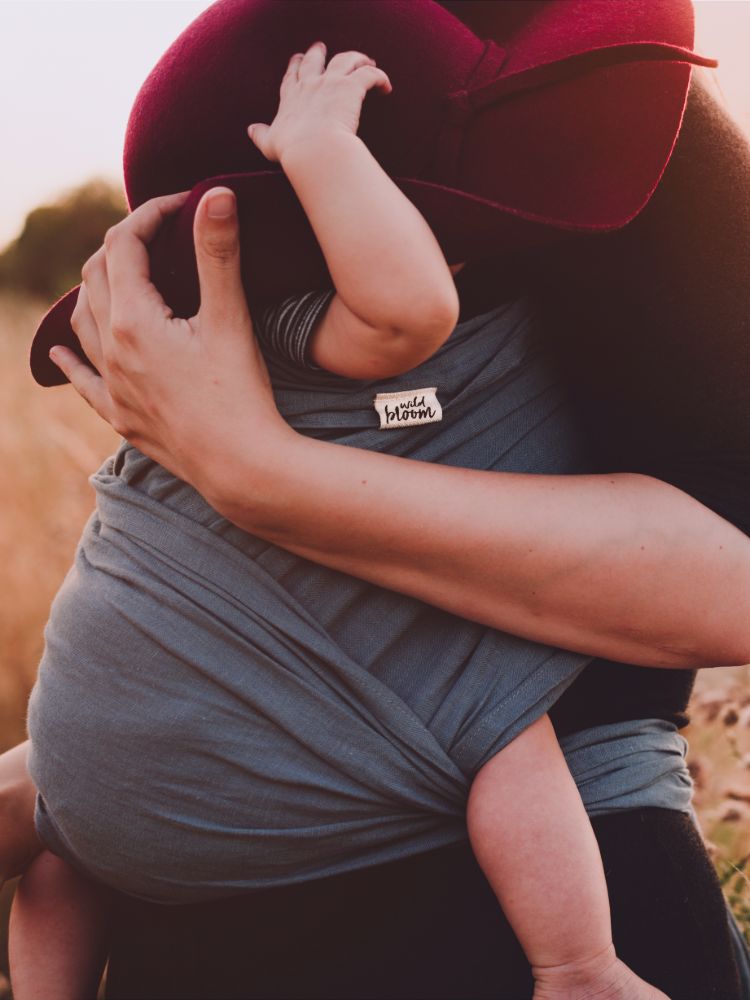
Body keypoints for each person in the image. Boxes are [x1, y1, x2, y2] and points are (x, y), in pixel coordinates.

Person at [16, 63, 750, 1000]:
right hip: (166, 879)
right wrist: (109, 758)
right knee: (60, 869)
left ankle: (579, 968)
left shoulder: (609, 97)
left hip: (496, 846)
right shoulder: (276, 88)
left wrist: (259, 474)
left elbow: (407, 311)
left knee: (505, 740)